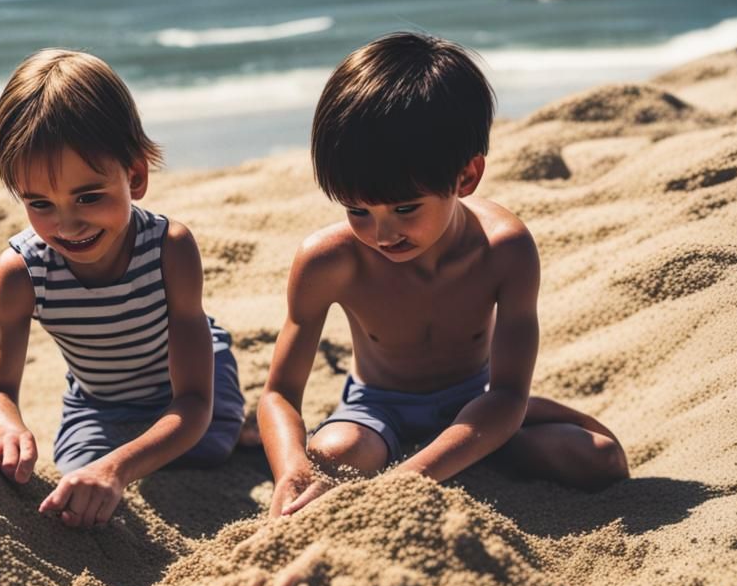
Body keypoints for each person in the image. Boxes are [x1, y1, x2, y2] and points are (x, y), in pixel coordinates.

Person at [258, 31, 629, 545]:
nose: (382, 233)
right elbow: (279, 394)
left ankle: (471, 454)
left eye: (405, 208)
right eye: (357, 211)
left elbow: (507, 395)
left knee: (601, 459)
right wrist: (292, 469)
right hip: (377, 409)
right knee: (331, 455)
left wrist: (401, 483)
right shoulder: (329, 261)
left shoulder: (504, 249)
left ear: (466, 176)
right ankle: (460, 459)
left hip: (477, 403)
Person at [0, 49, 245, 528]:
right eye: (40, 203)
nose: (67, 225)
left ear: (135, 176)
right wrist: (9, 429)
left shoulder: (169, 249)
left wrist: (118, 469)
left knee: (208, 449)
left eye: (88, 197)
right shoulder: (22, 274)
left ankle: (245, 428)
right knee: (75, 479)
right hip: (98, 403)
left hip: (186, 387)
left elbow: (193, 402)